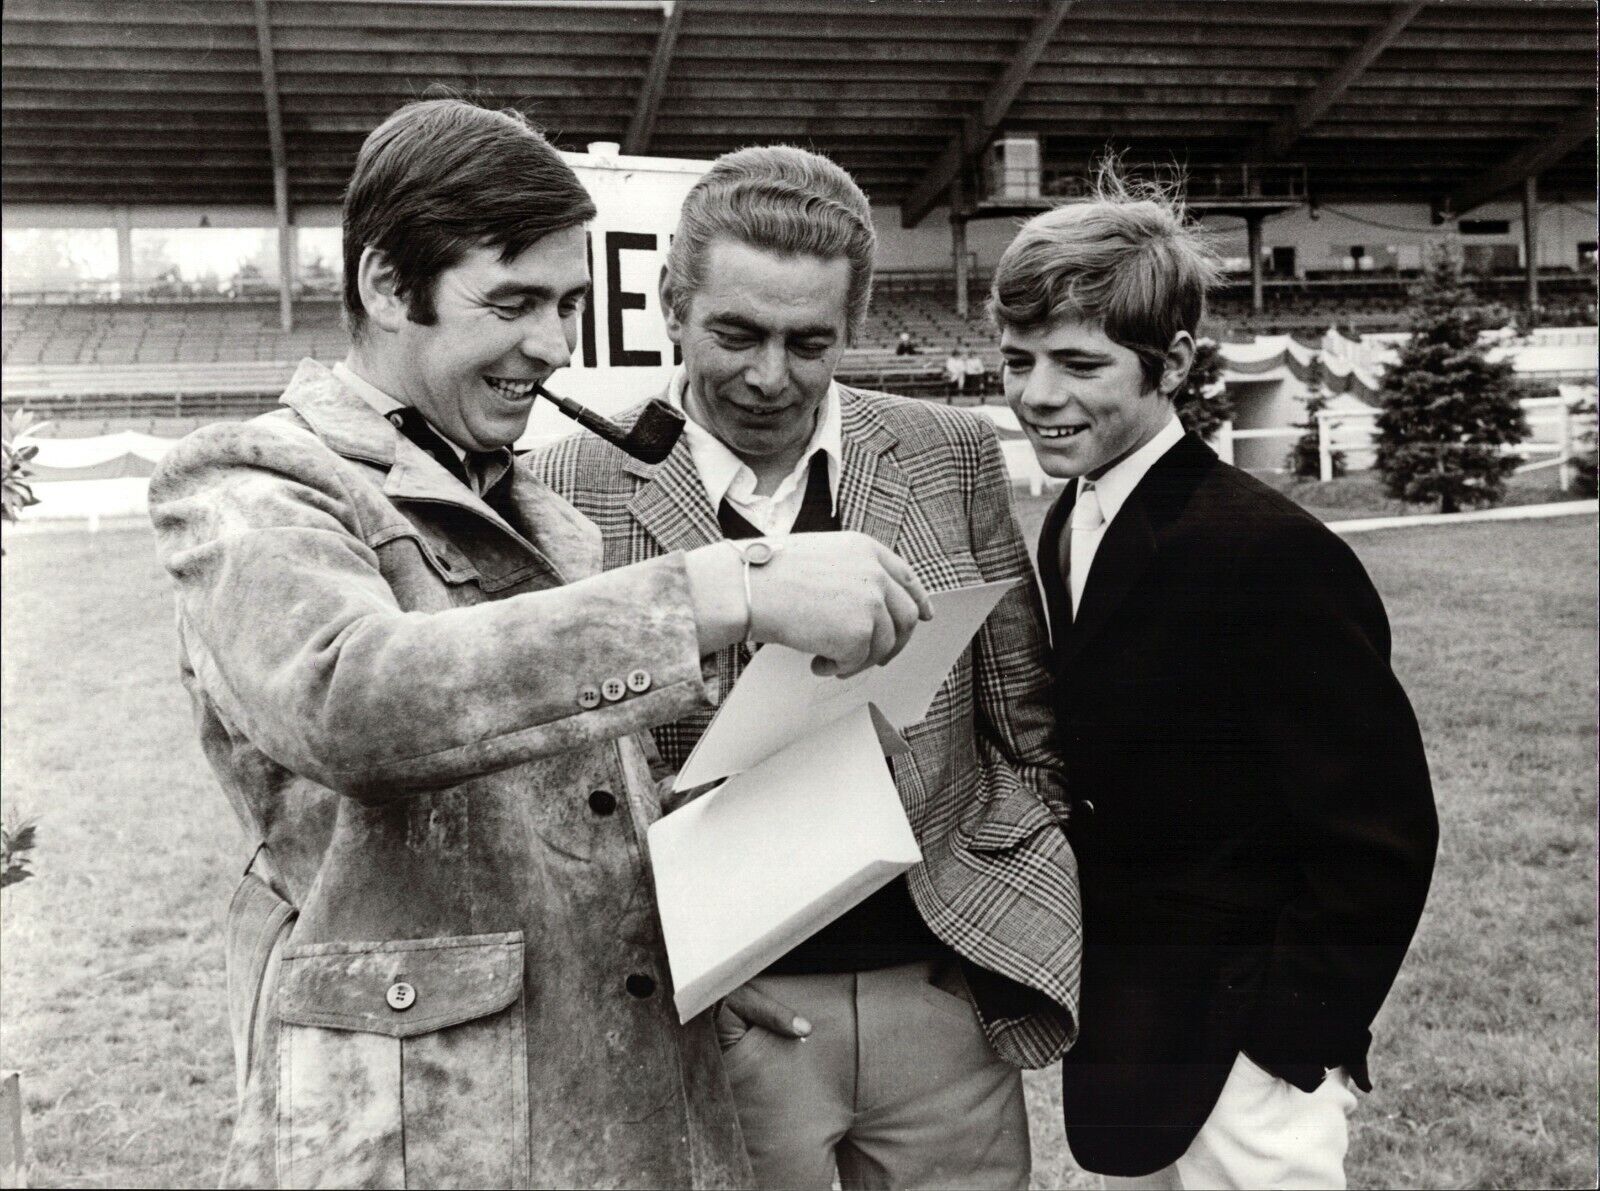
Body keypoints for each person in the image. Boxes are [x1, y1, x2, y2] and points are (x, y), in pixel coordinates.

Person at [146, 99, 937, 1191]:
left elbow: (579, 819)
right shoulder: (251, 479)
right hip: (420, 1133)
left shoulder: (540, 511)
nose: (552, 347)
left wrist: (683, 948)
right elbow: (350, 697)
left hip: (621, 1101)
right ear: (385, 285)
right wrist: (722, 586)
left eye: (566, 303)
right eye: (510, 301)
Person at [533, 145, 1081, 1191]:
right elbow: (551, 788)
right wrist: (672, 962)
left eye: (809, 342)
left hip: (940, 1000)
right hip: (721, 1021)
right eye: (736, 333)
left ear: (853, 328)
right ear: (670, 307)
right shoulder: (566, 482)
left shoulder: (948, 451)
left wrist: (982, 936)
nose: (769, 377)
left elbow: (1024, 715)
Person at [994, 179, 1438, 1188]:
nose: (1037, 393)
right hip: (1135, 1027)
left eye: (1077, 363)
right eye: (1018, 361)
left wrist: (1288, 1039)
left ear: (1176, 363)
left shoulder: (1268, 550)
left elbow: (1379, 833)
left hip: (1247, 1051)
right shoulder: (1073, 515)